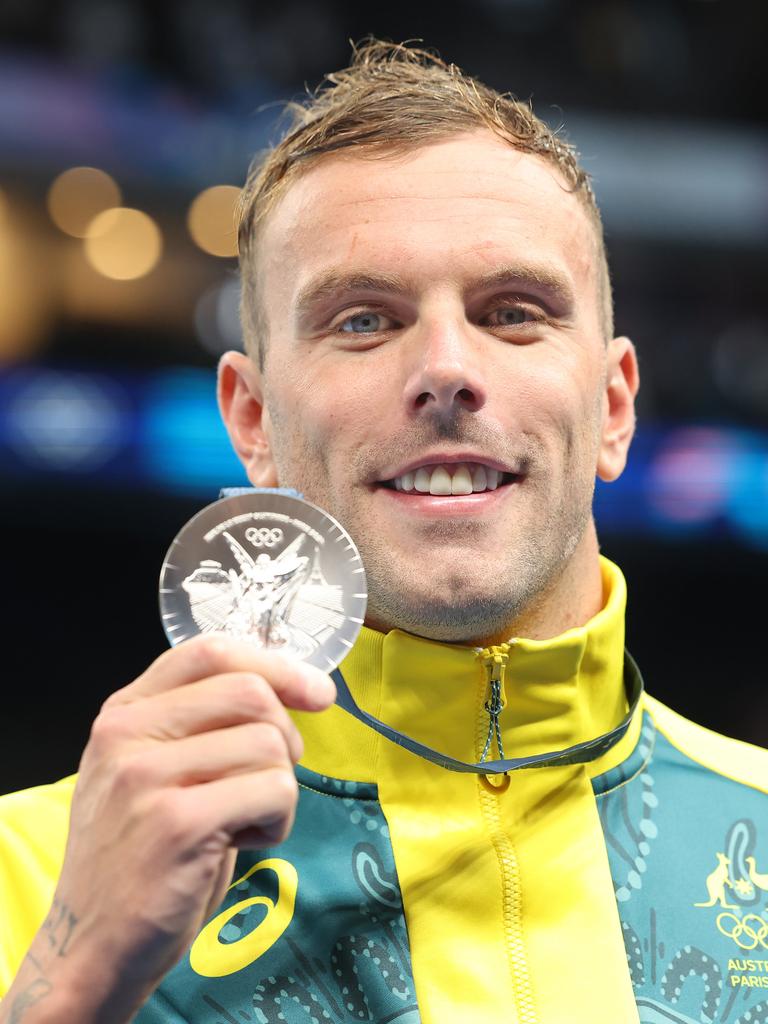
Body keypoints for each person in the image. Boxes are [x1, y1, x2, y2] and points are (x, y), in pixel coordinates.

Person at [1, 39, 767, 1024]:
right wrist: (69, 990)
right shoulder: (34, 876)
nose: (447, 367)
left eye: (514, 311)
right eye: (363, 321)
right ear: (254, 423)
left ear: (615, 407)